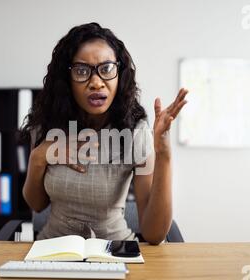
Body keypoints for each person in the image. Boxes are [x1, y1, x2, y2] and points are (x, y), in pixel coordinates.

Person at [20, 22, 188, 245]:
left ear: (120, 73)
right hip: (52, 250)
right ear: (66, 79)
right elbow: (37, 204)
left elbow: (154, 234)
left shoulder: (134, 132)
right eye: (81, 71)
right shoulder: (47, 125)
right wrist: (39, 157)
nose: (96, 82)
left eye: (106, 69)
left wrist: (163, 153)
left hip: (114, 251)